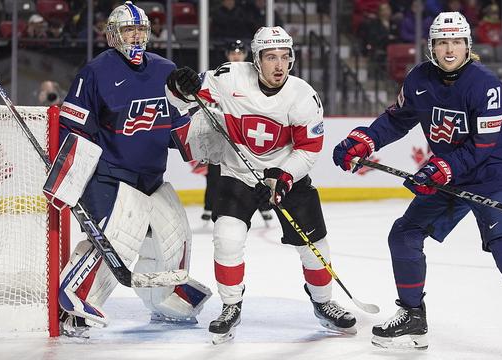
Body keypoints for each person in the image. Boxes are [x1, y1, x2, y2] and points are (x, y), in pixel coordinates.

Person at [333, 12, 502, 359]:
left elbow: (483, 148)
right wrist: (365, 140)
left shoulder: (486, 84)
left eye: (456, 42)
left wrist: (441, 168)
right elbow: (397, 119)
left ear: (468, 45)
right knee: (404, 234)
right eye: (442, 42)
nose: (449, 49)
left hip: (494, 175)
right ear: (431, 47)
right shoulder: (419, 79)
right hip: (451, 173)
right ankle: (412, 317)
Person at [165, 26, 357, 344]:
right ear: (257, 59)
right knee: (227, 239)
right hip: (237, 173)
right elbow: (180, 98)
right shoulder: (229, 77)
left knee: (314, 246)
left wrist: (282, 177)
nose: (279, 65)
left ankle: (324, 302)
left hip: (286, 176)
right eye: (271, 57)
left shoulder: (303, 96)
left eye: (285, 57)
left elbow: (308, 149)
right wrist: (177, 84)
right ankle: (230, 305)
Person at [44, 1, 210, 337]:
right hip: (109, 176)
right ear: (111, 35)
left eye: (141, 29)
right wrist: (67, 179)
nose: (135, 36)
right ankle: (76, 306)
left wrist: (204, 116)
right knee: (115, 240)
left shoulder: (166, 69)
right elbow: (73, 129)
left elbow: (180, 131)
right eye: (128, 29)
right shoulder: (95, 72)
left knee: (176, 239)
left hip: (152, 177)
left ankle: (166, 300)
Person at [197, 39, 274, 226]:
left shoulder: (255, 78)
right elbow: (208, 108)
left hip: (247, 136)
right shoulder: (220, 78)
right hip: (223, 137)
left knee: (255, 172)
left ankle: (264, 207)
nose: (236, 55)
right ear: (227, 55)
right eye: (233, 52)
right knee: (215, 174)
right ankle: (210, 207)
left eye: (240, 52)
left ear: (246, 54)